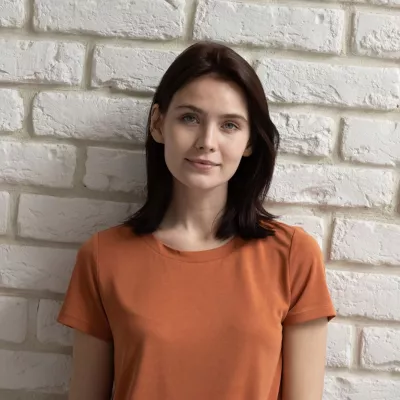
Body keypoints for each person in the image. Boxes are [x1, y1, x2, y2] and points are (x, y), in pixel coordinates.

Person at [58, 41, 336, 400]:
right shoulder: (102, 257)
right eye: (190, 118)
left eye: (230, 125)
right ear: (159, 124)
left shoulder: (293, 256)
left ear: (250, 141)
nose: (207, 141)